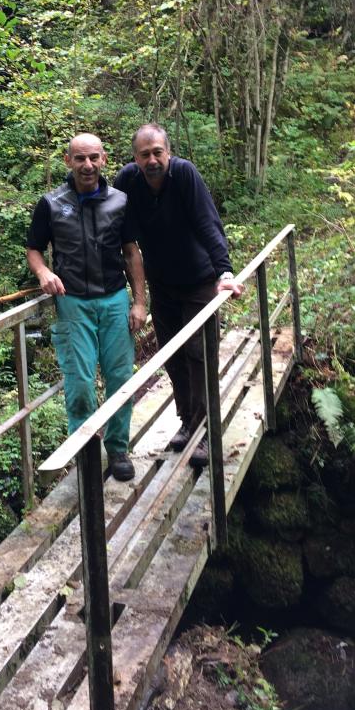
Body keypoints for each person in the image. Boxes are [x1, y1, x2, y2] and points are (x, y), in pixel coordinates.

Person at [114, 123, 243, 465]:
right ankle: (188, 421)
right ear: (135, 158)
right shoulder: (128, 182)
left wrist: (224, 272)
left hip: (199, 280)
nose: (153, 159)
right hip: (162, 283)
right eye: (145, 154)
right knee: (174, 355)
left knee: (200, 353)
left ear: (168, 152)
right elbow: (116, 232)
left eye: (158, 152)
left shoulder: (184, 174)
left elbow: (207, 222)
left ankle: (204, 433)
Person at [26, 133, 147, 482]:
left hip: (113, 299)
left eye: (94, 158)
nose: (87, 165)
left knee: (120, 377)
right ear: (68, 162)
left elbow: (131, 253)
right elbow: (34, 248)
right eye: (80, 159)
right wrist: (43, 271)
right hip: (73, 302)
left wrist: (139, 302)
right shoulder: (51, 203)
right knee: (79, 381)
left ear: (104, 160)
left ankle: (118, 448)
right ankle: (84, 449)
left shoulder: (120, 202)